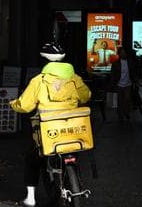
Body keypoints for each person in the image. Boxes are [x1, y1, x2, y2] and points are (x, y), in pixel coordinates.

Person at [10, 43, 91, 207]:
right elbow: (86, 96)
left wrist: (14, 104)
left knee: (32, 158)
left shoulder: (38, 80)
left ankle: (30, 198)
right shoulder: (74, 78)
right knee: (72, 150)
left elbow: (25, 105)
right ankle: (74, 180)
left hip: (48, 130)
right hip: (72, 128)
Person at [108, 46, 136, 121]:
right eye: (122, 53)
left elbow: (133, 72)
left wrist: (135, 81)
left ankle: (126, 113)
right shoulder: (115, 63)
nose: (123, 54)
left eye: (124, 53)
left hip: (128, 84)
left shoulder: (130, 62)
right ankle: (120, 114)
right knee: (119, 100)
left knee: (127, 99)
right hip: (119, 84)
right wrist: (112, 84)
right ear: (119, 54)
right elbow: (113, 75)